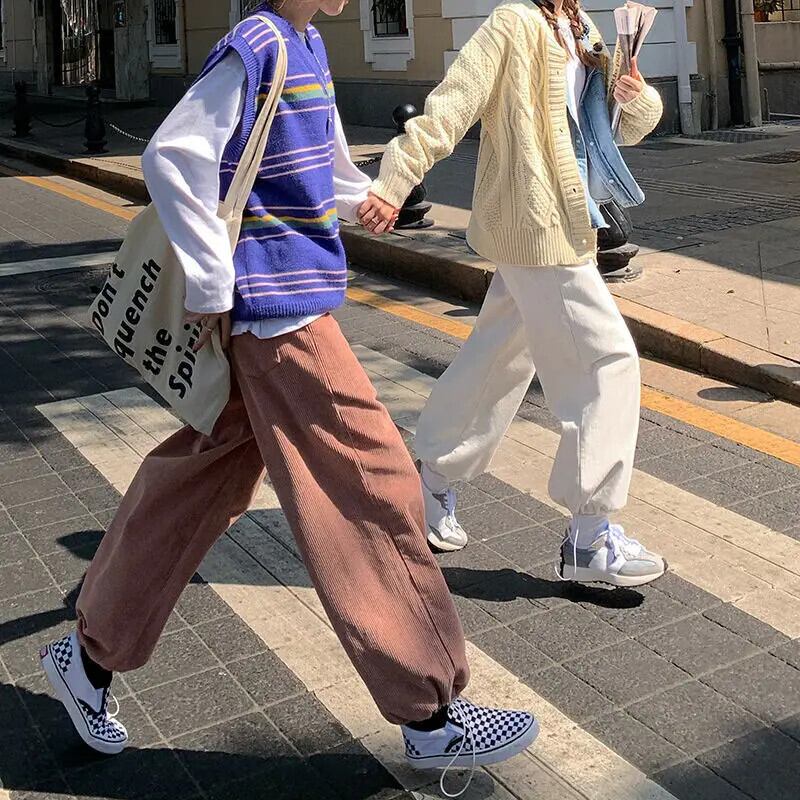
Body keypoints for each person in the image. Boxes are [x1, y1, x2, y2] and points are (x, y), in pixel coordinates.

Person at [39, 0, 539, 782]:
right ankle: (431, 715)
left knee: (199, 482)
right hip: (279, 313)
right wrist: (212, 283)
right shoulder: (259, 43)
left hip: (284, 304)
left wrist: (363, 198)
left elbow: (317, 172)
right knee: (371, 482)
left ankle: (89, 655)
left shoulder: (304, 45)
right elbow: (173, 156)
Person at [359, 0, 667, 587]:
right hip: (536, 223)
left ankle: (431, 481)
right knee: (607, 362)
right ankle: (589, 537)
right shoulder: (512, 22)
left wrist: (636, 95)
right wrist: (395, 180)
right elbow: (452, 104)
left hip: (569, 221)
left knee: (497, 358)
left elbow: (613, 130)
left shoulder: (580, 26)